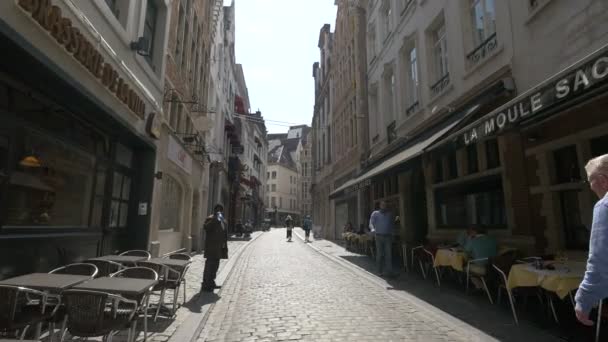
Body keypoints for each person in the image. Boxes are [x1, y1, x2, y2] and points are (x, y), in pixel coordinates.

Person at [575, 154, 608, 326]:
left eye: (590, 181)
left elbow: (601, 258)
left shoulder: (604, 205)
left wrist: (584, 298)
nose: (590, 187)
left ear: (603, 181)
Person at [201, 203, 229, 293]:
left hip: (219, 248)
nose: (219, 212)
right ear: (215, 211)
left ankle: (211, 282)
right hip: (211, 247)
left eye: (220, 210)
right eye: (218, 210)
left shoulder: (222, 220)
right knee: (209, 266)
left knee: (215, 266)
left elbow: (224, 233)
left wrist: (224, 244)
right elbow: (206, 227)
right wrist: (214, 219)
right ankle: (206, 284)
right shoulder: (210, 218)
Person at [369, 201, 396, 277]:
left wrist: (392, 234)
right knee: (380, 255)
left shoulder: (389, 214)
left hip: (387, 236)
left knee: (388, 255)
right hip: (378, 236)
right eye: (383, 205)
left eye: (385, 205)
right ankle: (379, 271)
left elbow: (391, 225)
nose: (384, 206)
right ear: (380, 206)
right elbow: (371, 222)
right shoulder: (375, 213)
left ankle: (389, 272)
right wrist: (372, 229)